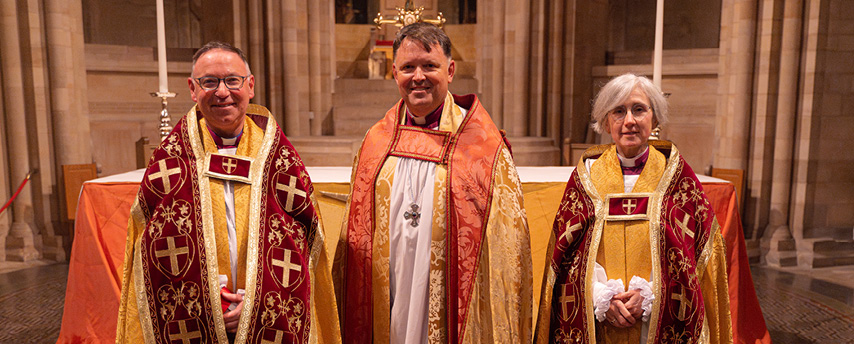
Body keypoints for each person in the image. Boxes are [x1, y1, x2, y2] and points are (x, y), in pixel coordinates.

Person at [115, 41, 339, 344]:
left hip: (267, 312)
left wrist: (259, 301)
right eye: (209, 82)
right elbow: (150, 251)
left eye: (232, 80)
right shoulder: (171, 160)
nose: (222, 92)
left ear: (250, 86)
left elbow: (305, 241)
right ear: (193, 90)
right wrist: (207, 303)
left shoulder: (277, 157)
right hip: (193, 317)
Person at [333, 23, 533, 343]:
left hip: (450, 298)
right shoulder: (376, 141)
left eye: (430, 66)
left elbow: (505, 249)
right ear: (394, 72)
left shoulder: (483, 146)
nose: (418, 76)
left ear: (450, 70)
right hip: (389, 290)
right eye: (408, 67)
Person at [533, 74, 732, 344]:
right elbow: (565, 258)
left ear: (655, 118)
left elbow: (696, 258)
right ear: (605, 121)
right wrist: (600, 295)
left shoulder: (676, 176)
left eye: (639, 109)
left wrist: (650, 295)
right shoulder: (587, 177)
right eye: (618, 111)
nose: (629, 121)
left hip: (658, 320)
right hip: (598, 321)